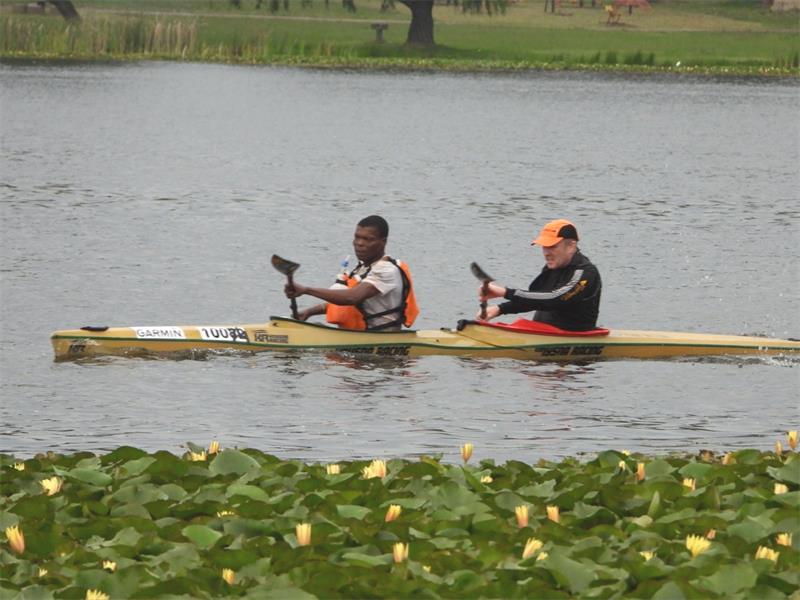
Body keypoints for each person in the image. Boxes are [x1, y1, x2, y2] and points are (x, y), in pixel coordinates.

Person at [284, 215, 419, 331]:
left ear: (383, 242)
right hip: (356, 336)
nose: (359, 243)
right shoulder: (363, 268)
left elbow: (352, 298)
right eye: (357, 237)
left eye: (367, 239)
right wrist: (309, 312)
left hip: (380, 339)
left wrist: (306, 290)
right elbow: (345, 302)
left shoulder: (387, 270)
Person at [477, 219, 601, 331]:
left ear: (571, 246)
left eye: (552, 246)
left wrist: (505, 292)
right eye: (544, 247)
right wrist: (499, 309)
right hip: (543, 333)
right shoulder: (553, 267)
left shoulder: (585, 273)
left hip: (571, 337)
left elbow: (555, 299)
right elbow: (537, 299)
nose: (546, 253)